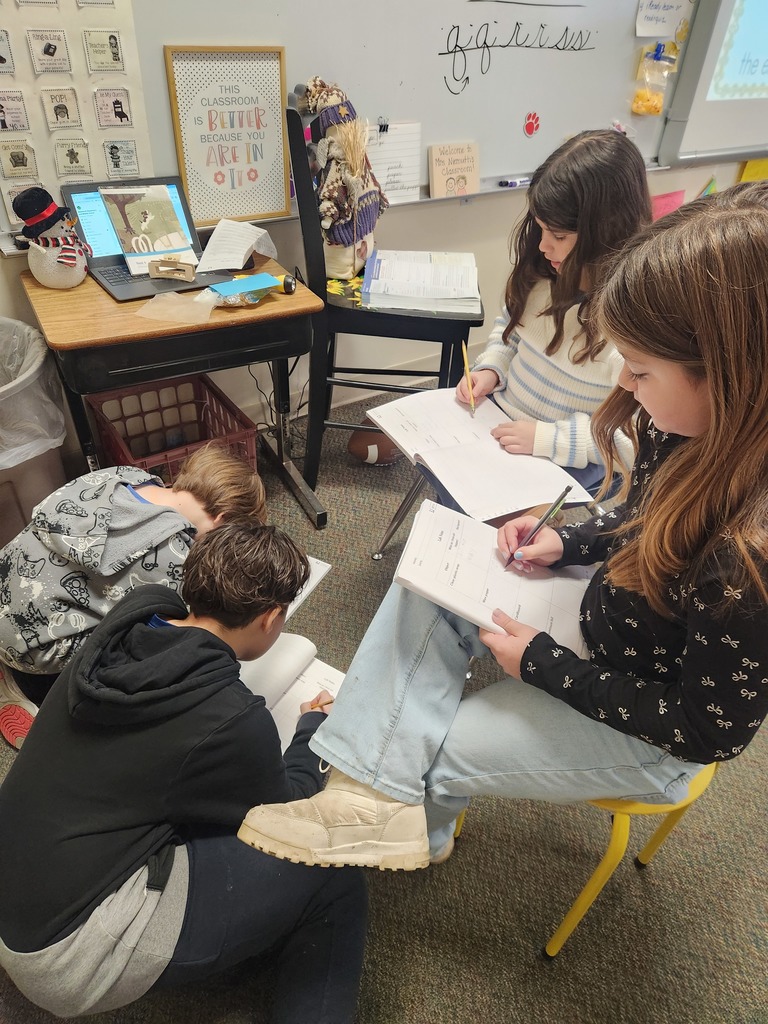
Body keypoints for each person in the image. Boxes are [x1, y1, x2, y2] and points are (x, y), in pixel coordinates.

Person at [237, 183, 768, 871]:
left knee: (438, 740)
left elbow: (704, 730)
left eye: (639, 370)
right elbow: (645, 520)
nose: (627, 388)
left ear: (728, 376)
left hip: (648, 724)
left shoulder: (747, 559)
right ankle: (372, 801)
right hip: (618, 620)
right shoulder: (690, 428)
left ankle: (401, 818)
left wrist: (548, 668)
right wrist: (571, 540)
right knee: (426, 584)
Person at [0, 520, 367, 1022]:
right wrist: (311, 729)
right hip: (67, 955)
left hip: (18, 889)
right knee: (334, 869)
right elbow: (290, 811)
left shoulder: (131, 620)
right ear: (272, 618)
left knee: (203, 808)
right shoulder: (231, 720)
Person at [0, 442, 266, 748]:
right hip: (36, 651)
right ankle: (37, 694)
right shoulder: (177, 557)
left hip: (7, 589)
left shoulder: (121, 476)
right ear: (221, 520)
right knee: (154, 634)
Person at [456, 128, 650, 495]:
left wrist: (549, 439)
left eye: (559, 236)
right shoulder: (543, 273)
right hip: (502, 424)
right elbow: (509, 329)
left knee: (501, 534)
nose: (544, 245)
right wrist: (491, 369)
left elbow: (632, 435)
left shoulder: (633, 322)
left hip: (566, 462)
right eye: (541, 229)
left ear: (605, 231)